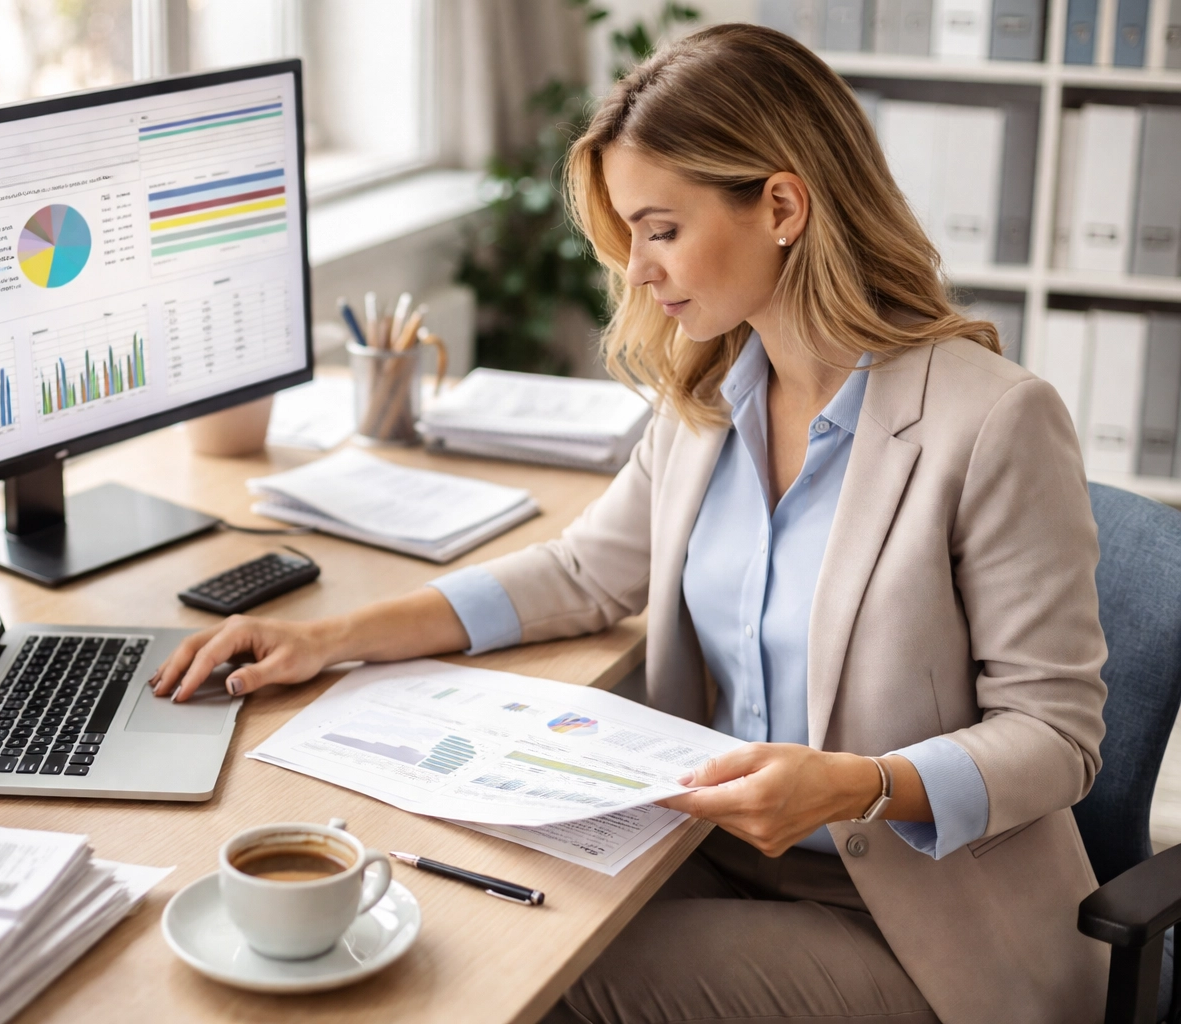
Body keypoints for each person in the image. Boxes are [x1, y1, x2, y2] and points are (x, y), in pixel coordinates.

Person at [153, 23, 1108, 1024]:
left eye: (661, 228)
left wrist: (855, 784)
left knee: (517, 974)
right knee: (456, 894)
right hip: (719, 861)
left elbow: (1056, 736)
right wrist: (329, 638)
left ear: (781, 205)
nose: (640, 270)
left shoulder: (991, 420)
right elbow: (581, 572)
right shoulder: (711, 398)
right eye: (630, 234)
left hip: (918, 926)